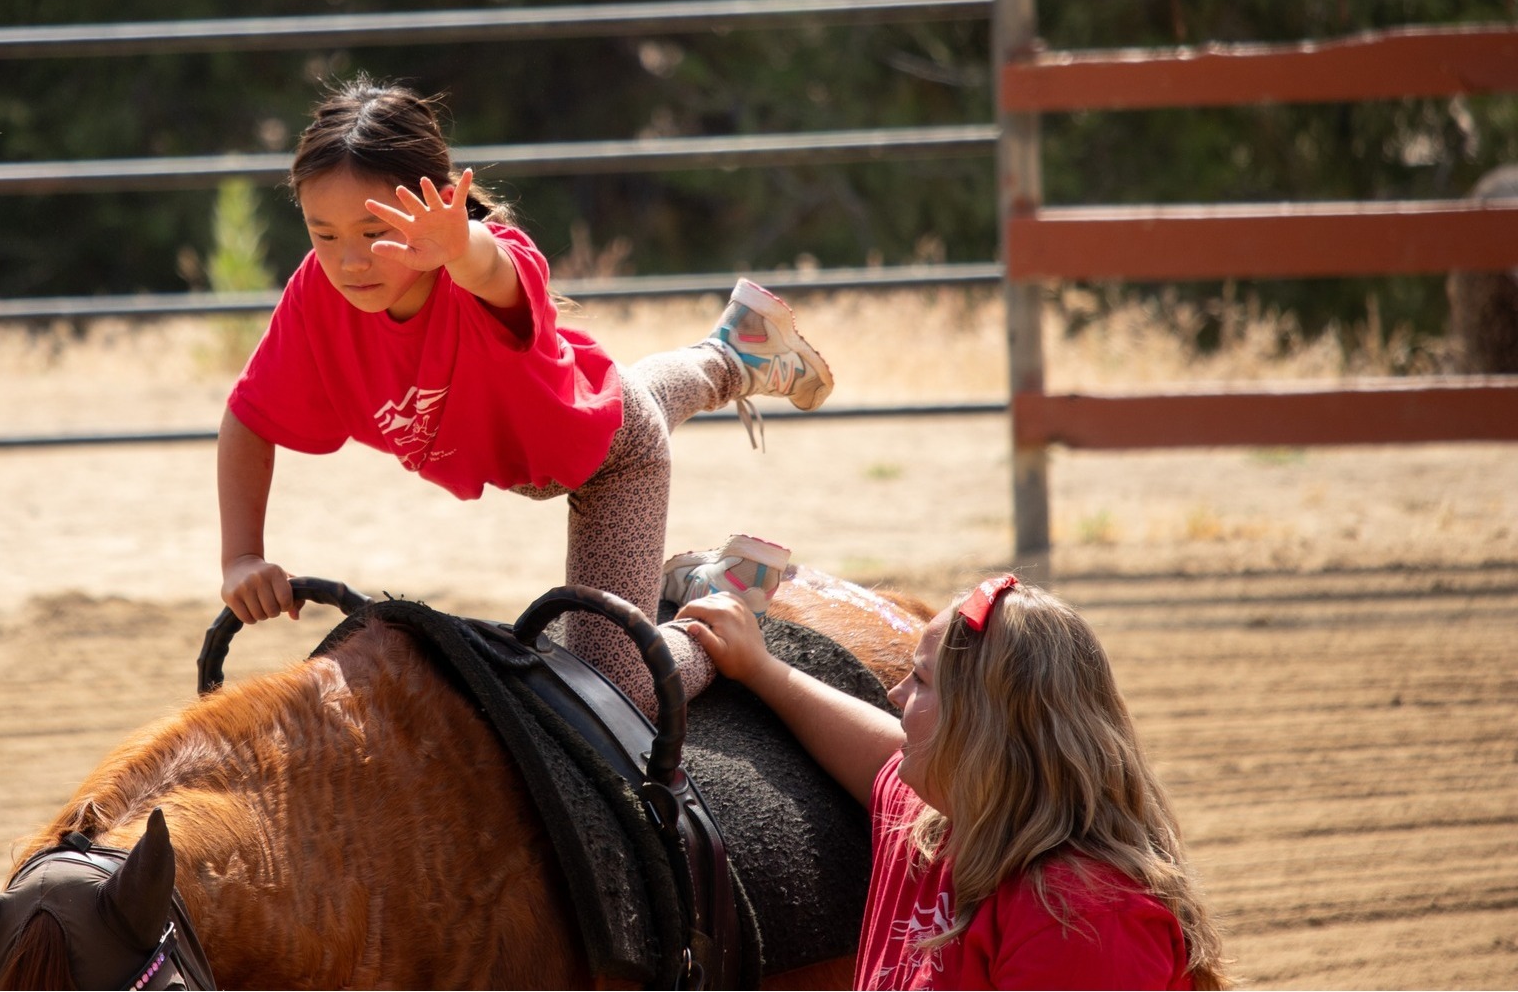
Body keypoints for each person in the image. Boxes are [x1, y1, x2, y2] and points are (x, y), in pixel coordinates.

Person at [218, 77, 835, 717]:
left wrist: (459, 246)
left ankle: (716, 609)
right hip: (563, 419)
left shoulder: (485, 262)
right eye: (325, 234)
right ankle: (737, 350)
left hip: (611, 461)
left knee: (616, 698)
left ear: (442, 207)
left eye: (375, 233)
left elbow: (488, 268)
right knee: (618, 391)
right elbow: (250, 417)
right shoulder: (318, 296)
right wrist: (241, 556)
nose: (349, 262)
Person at [676, 575, 1232, 989]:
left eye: (920, 681)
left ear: (984, 726)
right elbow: (880, 757)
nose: (895, 697)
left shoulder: (1080, 915)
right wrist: (761, 669)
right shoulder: (943, 821)